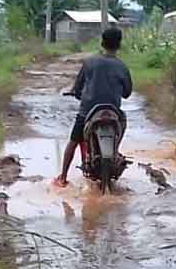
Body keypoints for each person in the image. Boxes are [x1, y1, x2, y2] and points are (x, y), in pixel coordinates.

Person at [54, 27, 133, 187]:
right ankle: (115, 150)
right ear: (119, 44)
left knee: (73, 141)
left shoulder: (90, 62)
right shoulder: (122, 67)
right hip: (113, 113)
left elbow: (78, 87)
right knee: (123, 121)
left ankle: (62, 177)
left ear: (102, 42)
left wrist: (76, 93)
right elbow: (127, 93)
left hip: (88, 112)